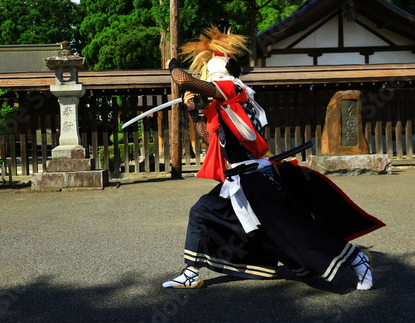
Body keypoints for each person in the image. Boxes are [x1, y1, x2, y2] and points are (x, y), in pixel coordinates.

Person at [162, 26, 385, 291]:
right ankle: (190, 273)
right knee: (203, 211)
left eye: (213, 72)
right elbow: (210, 141)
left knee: (292, 231)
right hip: (237, 181)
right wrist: (193, 111)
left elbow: (185, 80)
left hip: (257, 180)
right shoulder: (222, 105)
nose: (211, 76)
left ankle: (354, 257)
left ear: (226, 72)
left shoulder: (234, 91)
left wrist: (173, 64)